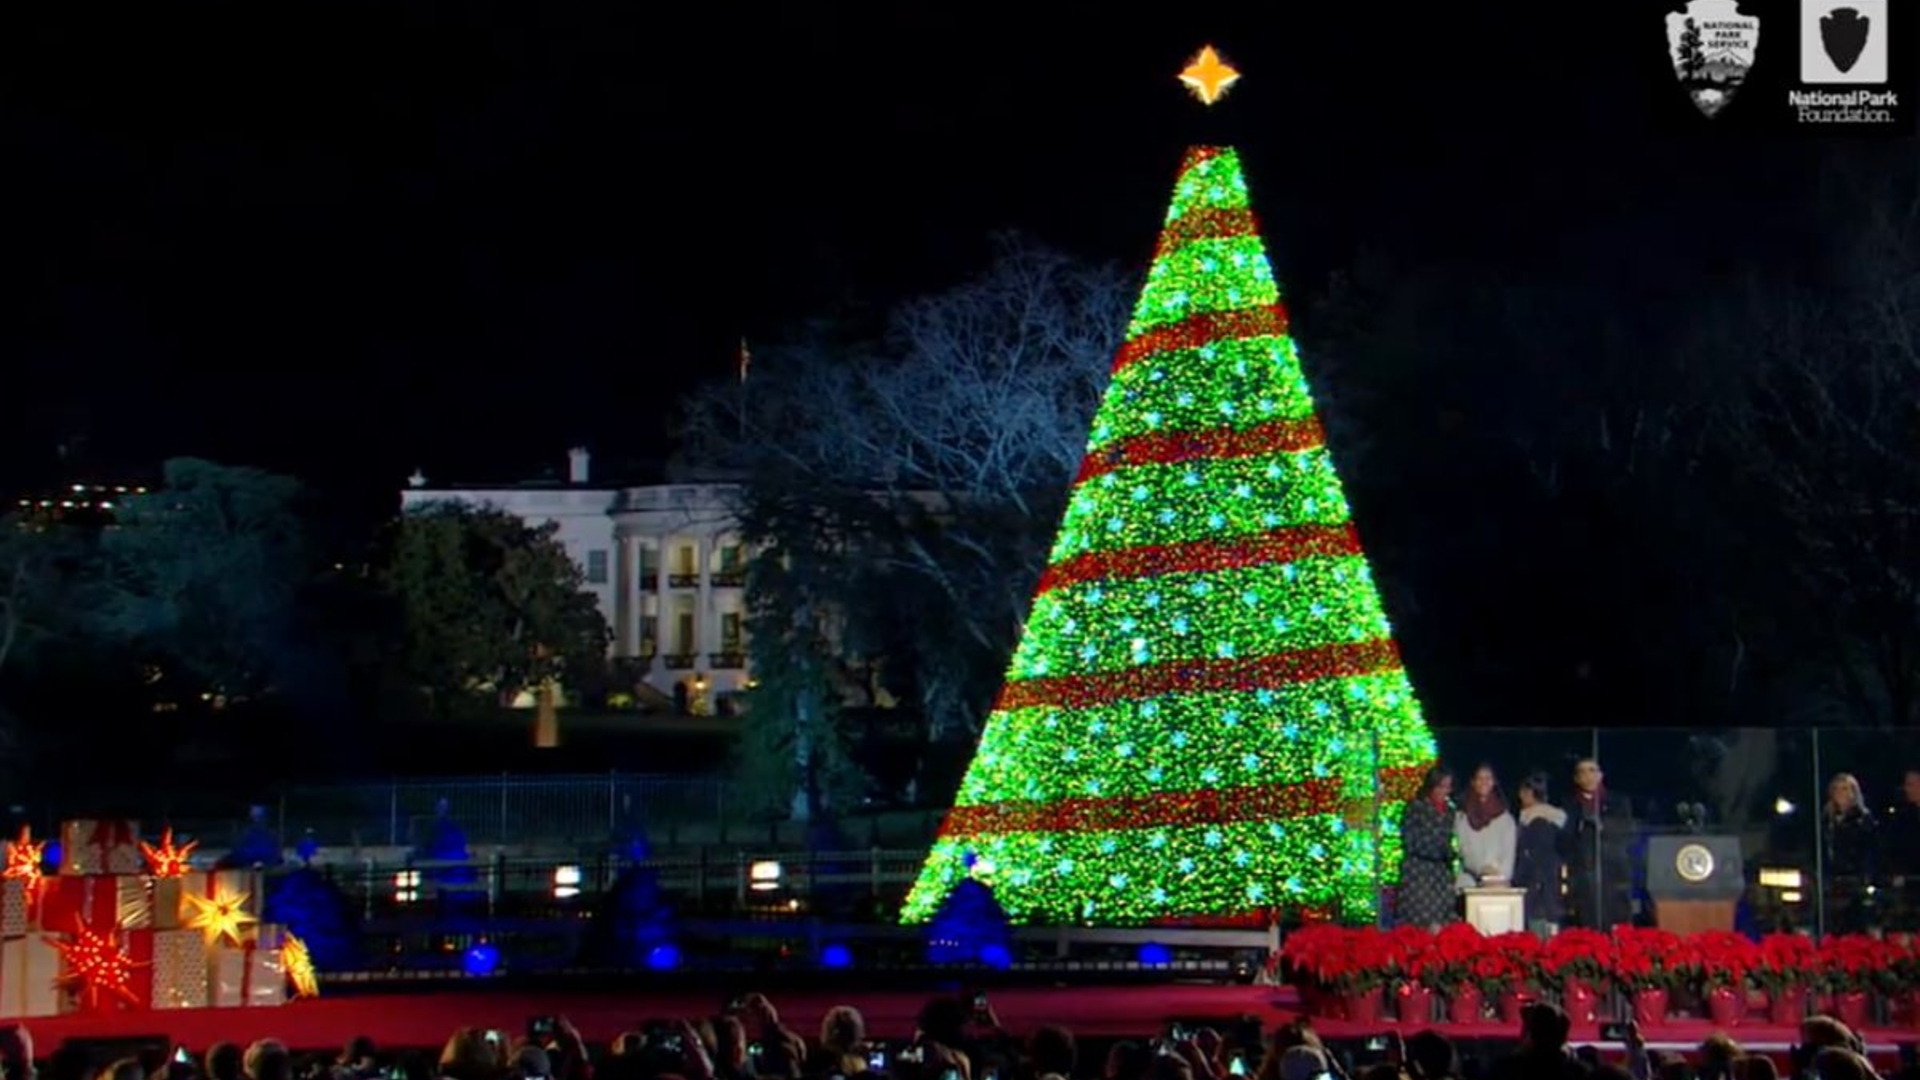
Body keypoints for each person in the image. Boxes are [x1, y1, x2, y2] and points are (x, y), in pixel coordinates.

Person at [1565, 757, 1633, 930]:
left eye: (1592, 770)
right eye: (1582, 772)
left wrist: (1601, 825)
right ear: (1577, 779)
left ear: (1600, 775)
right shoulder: (1570, 805)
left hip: (1612, 875)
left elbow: (1624, 831)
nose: (1588, 776)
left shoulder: (1618, 802)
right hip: (1583, 878)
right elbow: (1565, 839)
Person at [1396, 766, 1458, 930]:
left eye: (1448, 787)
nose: (1444, 791)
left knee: (1442, 925)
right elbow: (1409, 840)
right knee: (1420, 925)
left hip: (1441, 877)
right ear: (1431, 785)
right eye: (1440, 786)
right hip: (1418, 875)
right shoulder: (1415, 808)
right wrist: (1439, 850)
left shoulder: (1451, 812)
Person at [1512, 774, 1567, 938]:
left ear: (1530, 792)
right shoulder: (1538, 821)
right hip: (1544, 889)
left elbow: (1534, 859)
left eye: (1524, 791)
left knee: (1540, 936)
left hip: (1539, 892)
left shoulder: (1538, 823)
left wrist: (1518, 878)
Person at [1823, 773, 1878, 933]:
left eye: (1845, 789)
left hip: (1854, 881)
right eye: (1837, 789)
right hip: (1832, 882)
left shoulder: (1863, 820)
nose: (1841, 793)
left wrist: (1864, 877)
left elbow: (1869, 850)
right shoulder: (1826, 820)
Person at [1455, 764, 1517, 887]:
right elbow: (1463, 849)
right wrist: (1482, 870)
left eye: (1488, 778)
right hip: (1470, 882)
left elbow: (1509, 854)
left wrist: (1497, 875)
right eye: (1480, 778)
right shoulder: (1462, 818)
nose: (1484, 782)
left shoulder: (1505, 820)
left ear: (1494, 782)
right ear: (1473, 782)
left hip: (1499, 884)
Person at [1884, 767, 1920, 931]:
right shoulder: (1902, 817)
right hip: (1909, 885)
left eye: (1912, 784)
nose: (1907, 789)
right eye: (1907, 784)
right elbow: (1894, 849)